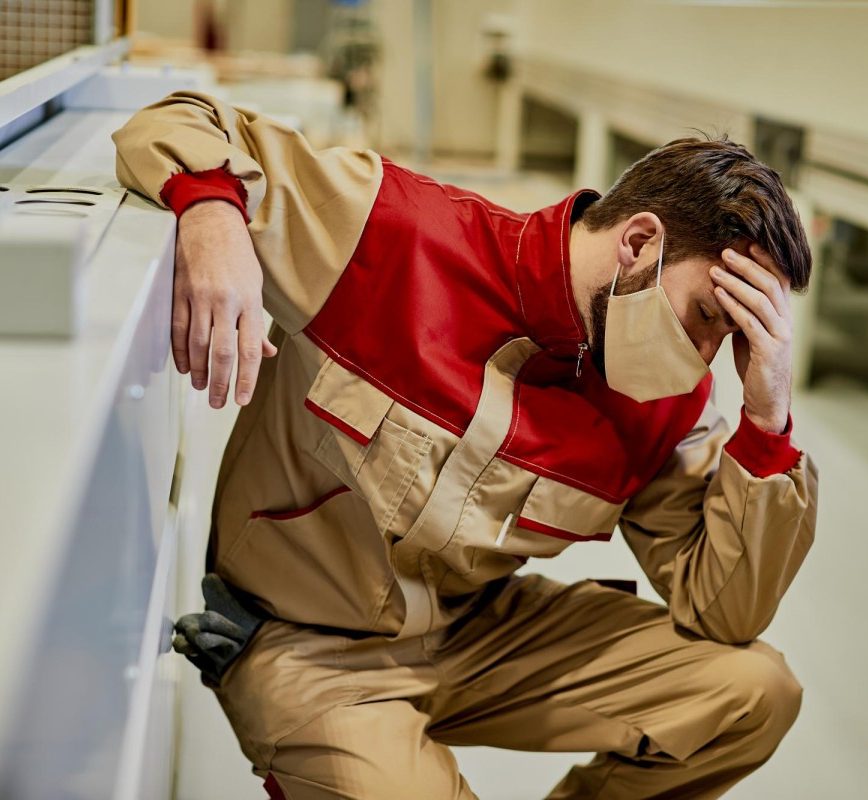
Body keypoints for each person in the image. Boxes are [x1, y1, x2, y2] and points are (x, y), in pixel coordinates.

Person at [112, 91, 818, 800]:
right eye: (705, 316)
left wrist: (766, 424)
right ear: (637, 245)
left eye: (729, 337)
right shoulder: (390, 233)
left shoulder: (665, 401)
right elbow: (173, 120)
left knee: (755, 691)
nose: (702, 357)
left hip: (471, 633)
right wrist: (211, 216)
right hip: (304, 643)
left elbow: (722, 613)